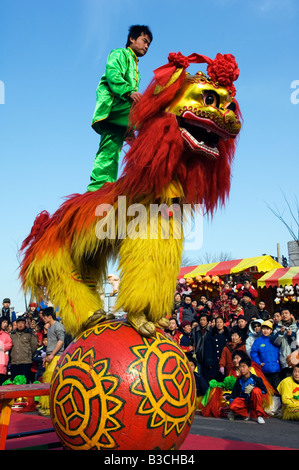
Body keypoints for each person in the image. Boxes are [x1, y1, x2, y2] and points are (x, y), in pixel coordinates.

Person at [87, 25, 153, 192]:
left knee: (110, 149)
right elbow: (113, 74)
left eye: (149, 45)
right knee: (153, 118)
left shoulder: (136, 67)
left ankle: (99, 189)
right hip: (113, 105)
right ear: (132, 39)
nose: (146, 46)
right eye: (144, 41)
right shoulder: (120, 54)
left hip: (120, 116)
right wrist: (129, 91)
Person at [38, 307, 65, 416]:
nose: (43, 319)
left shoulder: (58, 326)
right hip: (50, 356)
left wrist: (53, 354)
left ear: (49, 316)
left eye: (44, 317)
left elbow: (61, 341)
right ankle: (45, 404)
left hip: (56, 357)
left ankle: (49, 407)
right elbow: (50, 343)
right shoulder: (50, 327)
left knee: (50, 380)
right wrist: (46, 356)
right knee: (46, 380)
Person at [228, 356, 267, 424]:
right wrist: (231, 410)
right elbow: (234, 395)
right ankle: (246, 413)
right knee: (232, 406)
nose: (241, 369)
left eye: (244, 367)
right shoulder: (239, 380)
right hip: (244, 401)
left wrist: (252, 390)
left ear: (249, 368)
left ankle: (259, 415)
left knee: (256, 391)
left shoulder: (256, 379)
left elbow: (264, 391)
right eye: (240, 367)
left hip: (253, 400)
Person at [250, 320, 281, 390]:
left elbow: (281, 350)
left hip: (276, 369)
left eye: (268, 329)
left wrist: (279, 360)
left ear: (271, 330)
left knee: (278, 388)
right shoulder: (258, 341)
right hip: (264, 370)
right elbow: (253, 353)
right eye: (264, 329)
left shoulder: (275, 340)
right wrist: (259, 363)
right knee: (267, 389)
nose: (265, 331)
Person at [10, 316, 38, 383]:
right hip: (14, 363)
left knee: (25, 383)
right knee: (15, 382)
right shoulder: (12, 334)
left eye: (22, 323)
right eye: (18, 323)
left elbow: (33, 346)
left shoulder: (30, 334)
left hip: (25, 362)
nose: (20, 325)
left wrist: (29, 355)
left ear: (25, 324)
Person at [271, 308, 298, 379]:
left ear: (291, 315)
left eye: (286, 313)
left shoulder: (297, 327)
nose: (284, 315)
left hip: (296, 358)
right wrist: (280, 333)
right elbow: (275, 343)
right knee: (287, 381)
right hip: (284, 359)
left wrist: (292, 335)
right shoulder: (277, 328)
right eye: (282, 313)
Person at [203, 316, 230, 382]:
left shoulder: (228, 334)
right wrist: (209, 362)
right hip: (214, 362)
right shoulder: (211, 335)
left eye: (221, 322)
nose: (219, 324)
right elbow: (208, 350)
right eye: (217, 322)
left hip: (225, 362)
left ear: (224, 324)